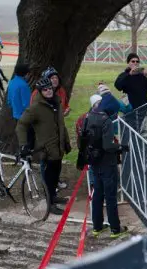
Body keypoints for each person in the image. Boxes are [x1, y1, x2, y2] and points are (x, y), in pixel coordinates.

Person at [16, 77, 71, 215]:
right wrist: (23, 145)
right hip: (46, 149)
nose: (48, 91)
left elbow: (61, 124)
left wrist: (67, 142)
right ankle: (50, 204)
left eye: (50, 88)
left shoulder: (57, 102)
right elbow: (21, 125)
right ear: (40, 91)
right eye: (45, 89)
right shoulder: (35, 107)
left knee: (56, 174)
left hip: (58, 147)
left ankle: (53, 196)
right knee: (48, 177)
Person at [77, 94, 129, 239]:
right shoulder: (106, 121)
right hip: (107, 163)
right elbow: (108, 145)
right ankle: (115, 228)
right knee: (111, 196)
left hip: (94, 162)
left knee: (97, 194)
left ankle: (97, 227)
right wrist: (121, 147)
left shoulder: (88, 116)